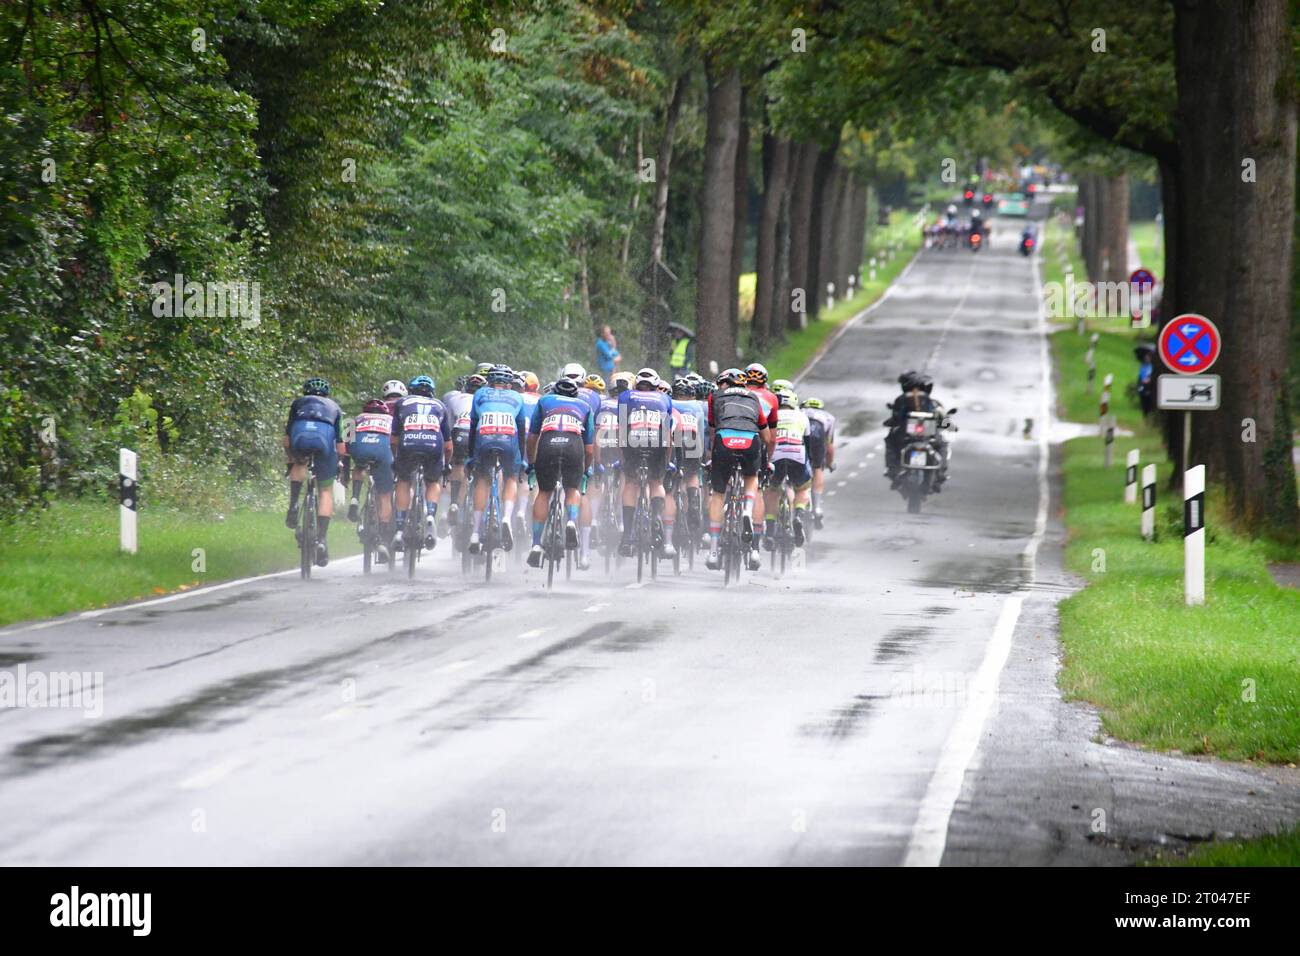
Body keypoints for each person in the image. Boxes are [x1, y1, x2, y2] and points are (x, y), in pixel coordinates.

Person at [704, 368, 775, 571]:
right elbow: (767, 436)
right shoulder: (753, 397)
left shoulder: (715, 396)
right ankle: (746, 510)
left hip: (724, 440)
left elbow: (712, 428)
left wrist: (712, 453)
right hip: (750, 440)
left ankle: (714, 551)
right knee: (751, 477)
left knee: (718, 493)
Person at [525, 377, 595, 568]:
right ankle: (571, 521)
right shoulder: (585, 406)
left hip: (548, 445)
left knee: (544, 492)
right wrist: (585, 470)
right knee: (572, 489)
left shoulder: (545, 401)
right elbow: (589, 449)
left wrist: (531, 464)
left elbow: (532, 438)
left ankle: (536, 544)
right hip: (574, 447)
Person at [284, 378, 345, 567]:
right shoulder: (334, 407)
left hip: (300, 435)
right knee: (325, 491)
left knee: (300, 463)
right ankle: (322, 539)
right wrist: (340, 462)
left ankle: (294, 505)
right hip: (324, 438)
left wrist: (291, 458)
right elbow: (340, 444)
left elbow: (287, 439)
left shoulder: (298, 403)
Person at [467, 364, 527, 553]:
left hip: (483, 439)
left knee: (483, 479)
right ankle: (507, 518)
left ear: (489, 381)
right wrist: (522, 458)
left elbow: (472, 426)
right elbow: (521, 430)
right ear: (509, 383)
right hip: (508, 440)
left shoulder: (480, 394)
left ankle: (475, 533)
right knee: (510, 477)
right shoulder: (517, 396)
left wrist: (471, 457)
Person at [617, 368, 675, 559]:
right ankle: (657, 515)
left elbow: (621, 428)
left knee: (631, 482)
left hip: (633, 440)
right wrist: (666, 460)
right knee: (656, 482)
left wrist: (623, 457)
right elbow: (668, 433)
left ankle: (626, 537)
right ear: (656, 385)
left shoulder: (626, 396)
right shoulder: (664, 399)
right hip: (657, 442)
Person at [391, 375, 452, 553]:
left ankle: (400, 529)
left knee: (403, 481)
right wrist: (446, 465)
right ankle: (431, 515)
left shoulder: (402, 402)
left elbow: (394, 438)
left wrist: (396, 459)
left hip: (408, 443)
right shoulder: (440, 406)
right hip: (433, 444)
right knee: (432, 482)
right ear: (432, 393)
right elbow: (448, 445)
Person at [345, 395, 398, 564]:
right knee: (385, 495)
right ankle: (382, 538)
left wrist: (345, 472)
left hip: (359, 449)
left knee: (359, 468)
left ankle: (354, 498)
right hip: (382, 452)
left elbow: (344, 450)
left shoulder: (354, 419)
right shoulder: (391, 419)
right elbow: (397, 444)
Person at [765, 383, 813, 548]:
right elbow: (807, 443)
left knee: (772, 490)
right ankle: (798, 514)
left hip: (775, 454)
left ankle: (770, 530)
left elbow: (766, 438)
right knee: (802, 488)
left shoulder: (772, 415)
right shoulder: (802, 416)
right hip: (796, 453)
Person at [883, 371, 948, 489]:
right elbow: (943, 420)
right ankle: (941, 473)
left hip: (905, 436)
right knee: (943, 445)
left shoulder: (901, 399)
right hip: (928, 437)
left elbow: (896, 418)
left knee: (890, 441)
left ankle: (892, 470)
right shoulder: (932, 402)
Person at [743, 363, 779, 554]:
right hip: (756, 446)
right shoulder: (771, 398)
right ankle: (755, 546)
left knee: (720, 488)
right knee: (755, 488)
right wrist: (768, 460)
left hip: (730, 442)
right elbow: (771, 438)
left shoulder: (737, 393)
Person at [800, 397, 836, 528]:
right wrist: (830, 463)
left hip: (802, 437)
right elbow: (829, 445)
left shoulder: (800, 411)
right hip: (819, 437)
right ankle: (817, 507)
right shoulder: (828, 417)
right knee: (817, 468)